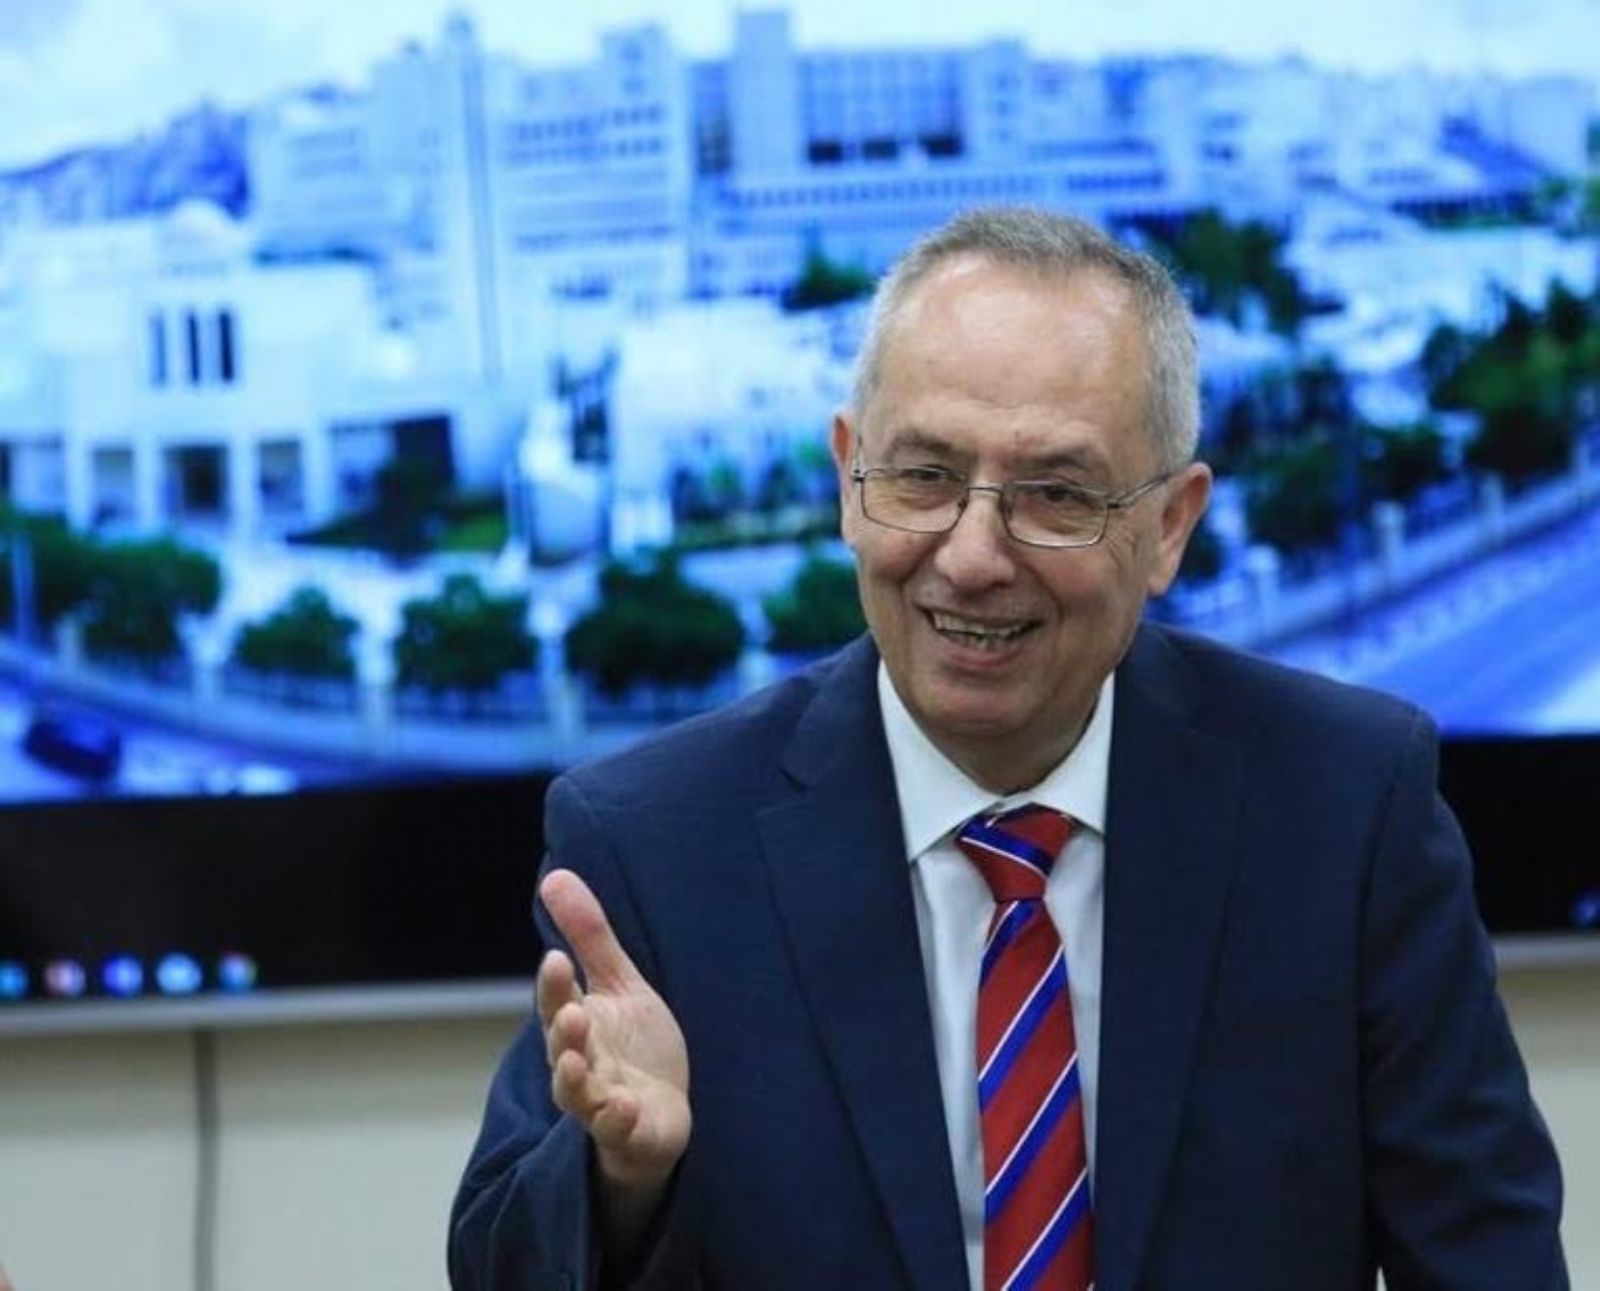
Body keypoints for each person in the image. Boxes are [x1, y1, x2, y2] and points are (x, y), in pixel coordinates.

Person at [449, 207, 1567, 1290]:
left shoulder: (1346, 811)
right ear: (848, 478)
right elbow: (500, 1263)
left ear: (1169, 525)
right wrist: (622, 1180)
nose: (973, 556)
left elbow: (1488, 1257)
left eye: (1056, 494)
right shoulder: (654, 847)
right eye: (924, 477)